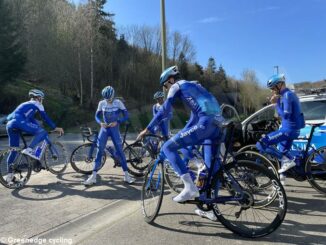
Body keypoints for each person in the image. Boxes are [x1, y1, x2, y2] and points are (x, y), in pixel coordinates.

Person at [137, 66, 224, 203]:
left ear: (171, 79)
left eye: (165, 85)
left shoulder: (177, 85)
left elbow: (164, 111)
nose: (165, 89)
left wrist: (147, 129)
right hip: (218, 124)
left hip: (206, 124)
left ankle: (190, 187)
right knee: (211, 168)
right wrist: (182, 134)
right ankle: (211, 208)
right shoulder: (195, 86)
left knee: (167, 147)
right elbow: (194, 119)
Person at [6, 89, 64, 183]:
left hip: (10, 125)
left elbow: (29, 119)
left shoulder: (24, 104)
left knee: (14, 150)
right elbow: (45, 117)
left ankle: (9, 176)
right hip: (20, 122)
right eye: (42, 98)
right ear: (39, 97)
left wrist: (38, 126)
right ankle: (29, 149)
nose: (42, 100)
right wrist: (55, 127)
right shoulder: (38, 104)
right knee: (43, 132)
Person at [256, 74, 305, 185]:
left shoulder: (287, 95)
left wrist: (276, 104)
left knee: (261, 143)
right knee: (283, 153)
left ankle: (289, 160)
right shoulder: (289, 95)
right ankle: (280, 182)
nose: (272, 91)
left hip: (288, 130)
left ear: (279, 84)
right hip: (291, 129)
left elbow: (286, 115)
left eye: (273, 88)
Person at [83, 86, 135, 186]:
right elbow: (96, 116)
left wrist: (118, 121)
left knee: (120, 151)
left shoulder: (118, 102)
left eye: (110, 99)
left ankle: (126, 175)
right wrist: (100, 123)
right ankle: (93, 176)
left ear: (113, 95)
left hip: (115, 129)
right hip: (104, 129)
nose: (109, 101)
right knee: (99, 152)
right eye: (107, 99)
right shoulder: (101, 103)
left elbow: (126, 115)